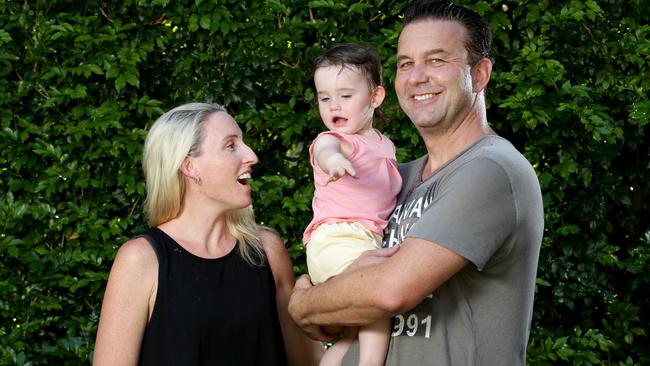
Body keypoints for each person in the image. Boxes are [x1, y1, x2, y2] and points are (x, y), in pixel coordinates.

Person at [288, 0, 544, 365]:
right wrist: (335, 301)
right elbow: (350, 292)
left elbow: (388, 291)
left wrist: (303, 304)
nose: (417, 76)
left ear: (480, 74)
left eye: (437, 60)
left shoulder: (492, 170)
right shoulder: (398, 178)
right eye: (406, 63)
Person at [93, 102, 323, 366]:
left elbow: (313, 363)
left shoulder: (268, 252)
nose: (251, 155)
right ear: (190, 167)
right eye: (230, 145)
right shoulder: (141, 260)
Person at [302, 44, 402, 366]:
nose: (334, 105)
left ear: (375, 97)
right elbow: (325, 149)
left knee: (350, 334)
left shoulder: (384, 145)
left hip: (360, 241)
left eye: (345, 95)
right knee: (376, 301)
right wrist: (333, 162)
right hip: (338, 240)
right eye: (324, 97)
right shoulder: (335, 140)